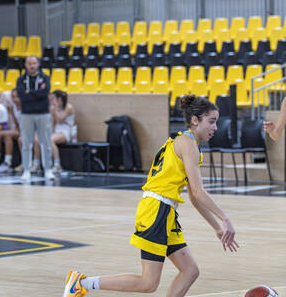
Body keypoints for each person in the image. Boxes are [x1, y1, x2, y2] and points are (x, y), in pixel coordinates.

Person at [62, 95, 239, 297]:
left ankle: (82, 283)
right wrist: (225, 218)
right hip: (157, 210)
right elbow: (199, 191)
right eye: (212, 121)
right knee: (148, 283)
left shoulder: (185, 143)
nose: (216, 127)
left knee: (190, 271)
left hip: (165, 212)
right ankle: (82, 283)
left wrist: (217, 228)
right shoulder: (187, 143)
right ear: (195, 120)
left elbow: (194, 198)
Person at [16, 55, 55, 181]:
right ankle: (27, 170)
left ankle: (48, 169)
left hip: (43, 113)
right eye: (29, 63)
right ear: (25, 65)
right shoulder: (21, 79)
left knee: (46, 143)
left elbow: (45, 93)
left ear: (38, 64)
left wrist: (30, 93)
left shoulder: (45, 78)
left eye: (34, 63)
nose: (32, 66)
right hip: (26, 114)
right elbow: (22, 95)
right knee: (26, 143)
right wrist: (36, 95)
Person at [49, 90, 75, 172]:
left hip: (66, 131)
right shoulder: (53, 108)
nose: (51, 100)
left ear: (59, 99)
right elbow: (53, 122)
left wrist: (55, 110)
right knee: (45, 139)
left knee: (50, 140)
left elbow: (60, 120)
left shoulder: (68, 107)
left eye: (53, 98)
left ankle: (57, 165)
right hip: (57, 130)